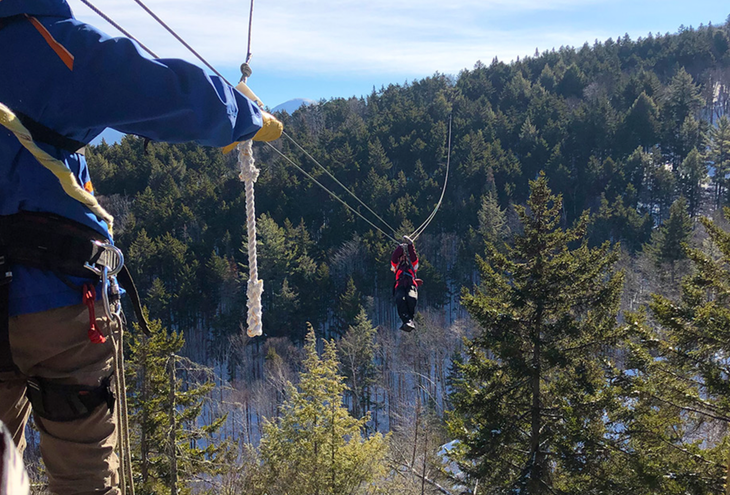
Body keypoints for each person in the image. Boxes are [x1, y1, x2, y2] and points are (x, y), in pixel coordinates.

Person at [0, 1, 282, 493]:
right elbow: (158, 88)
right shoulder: (48, 43)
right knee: (85, 470)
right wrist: (245, 117)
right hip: (57, 300)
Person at [391, 236, 421, 332]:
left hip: (411, 285)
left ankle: (410, 319)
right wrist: (400, 248)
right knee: (400, 299)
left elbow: (414, 257)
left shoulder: (413, 266)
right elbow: (394, 257)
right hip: (399, 285)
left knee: (411, 298)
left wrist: (410, 245)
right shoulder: (396, 266)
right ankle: (406, 320)